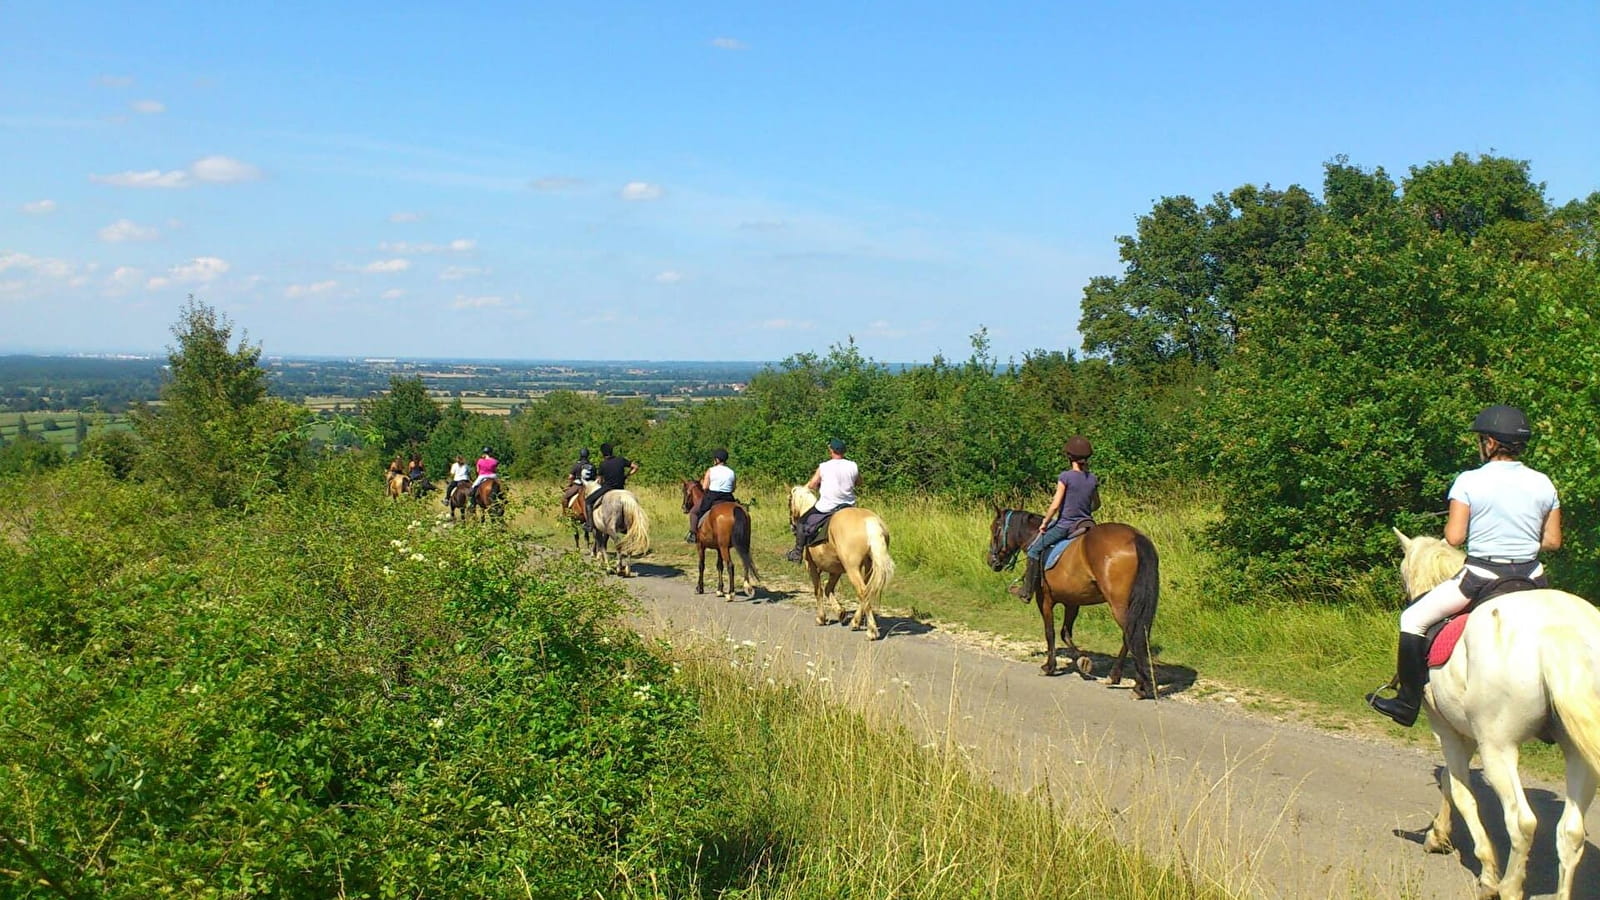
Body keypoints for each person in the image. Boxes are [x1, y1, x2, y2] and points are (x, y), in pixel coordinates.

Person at [1368, 405, 1561, 727]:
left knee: (1413, 618)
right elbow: (1553, 541)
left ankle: (1407, 703)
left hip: (1482, 577)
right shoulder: (1543, 483)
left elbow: (1454, 538)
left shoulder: (1469, 481)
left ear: (1489, 442)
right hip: (1533, 580)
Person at [1009, 436, 1101, 601]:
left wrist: (1045, 522)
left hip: (1066, 525)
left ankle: (1027, 591)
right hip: (1087, 524)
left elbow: (1055, 505)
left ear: (1069, 457)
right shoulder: (1093, 479)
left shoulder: (1065, 477)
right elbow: (1097, 505)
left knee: (1034, 550)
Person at [787, 438, 860, 562]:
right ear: (844, 452)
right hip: (849, 506)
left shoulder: (824, 466)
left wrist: (814, 485)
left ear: (831, 450)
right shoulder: (853, 465)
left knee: (802, 523)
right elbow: (859, 482)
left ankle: (797, 553)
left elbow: (812, 485)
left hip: (827, 507)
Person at [686, 449, 737, 542]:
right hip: (728, 497)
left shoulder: (711, 470)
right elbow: (733, 488)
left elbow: (705, 487)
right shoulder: (731, 472)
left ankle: (693, 534)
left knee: (694, 512)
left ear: (717, 460)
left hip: (713, 496)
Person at [585, 442, 638, 525]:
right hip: (621, 487)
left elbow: (599, 480)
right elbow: (635, 467)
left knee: (588, 501)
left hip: (607, 488)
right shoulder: (621, 460)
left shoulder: (603, 464)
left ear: (603, 453)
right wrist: (626, 476)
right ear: (612, 451)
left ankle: (589, 524)